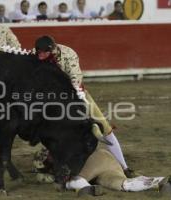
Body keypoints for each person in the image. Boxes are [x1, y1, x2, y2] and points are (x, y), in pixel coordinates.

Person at [33, 35, 136, 178]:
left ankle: (124, 167)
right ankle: (50, 161)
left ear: (53, 49)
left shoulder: (68, 54)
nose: (41, 56)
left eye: (44, 52)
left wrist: (73, 100)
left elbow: (76, 79)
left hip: (76, 94)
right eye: (39, 53)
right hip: (50, 98)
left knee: (104, 128)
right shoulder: (35, 55)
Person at [33, 147, 171, 196]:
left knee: (72, 180)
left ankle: (87, 189)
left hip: (95, 158)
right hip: (104, 161)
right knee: (124, 184)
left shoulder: (59, 155)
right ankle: (158, 181)